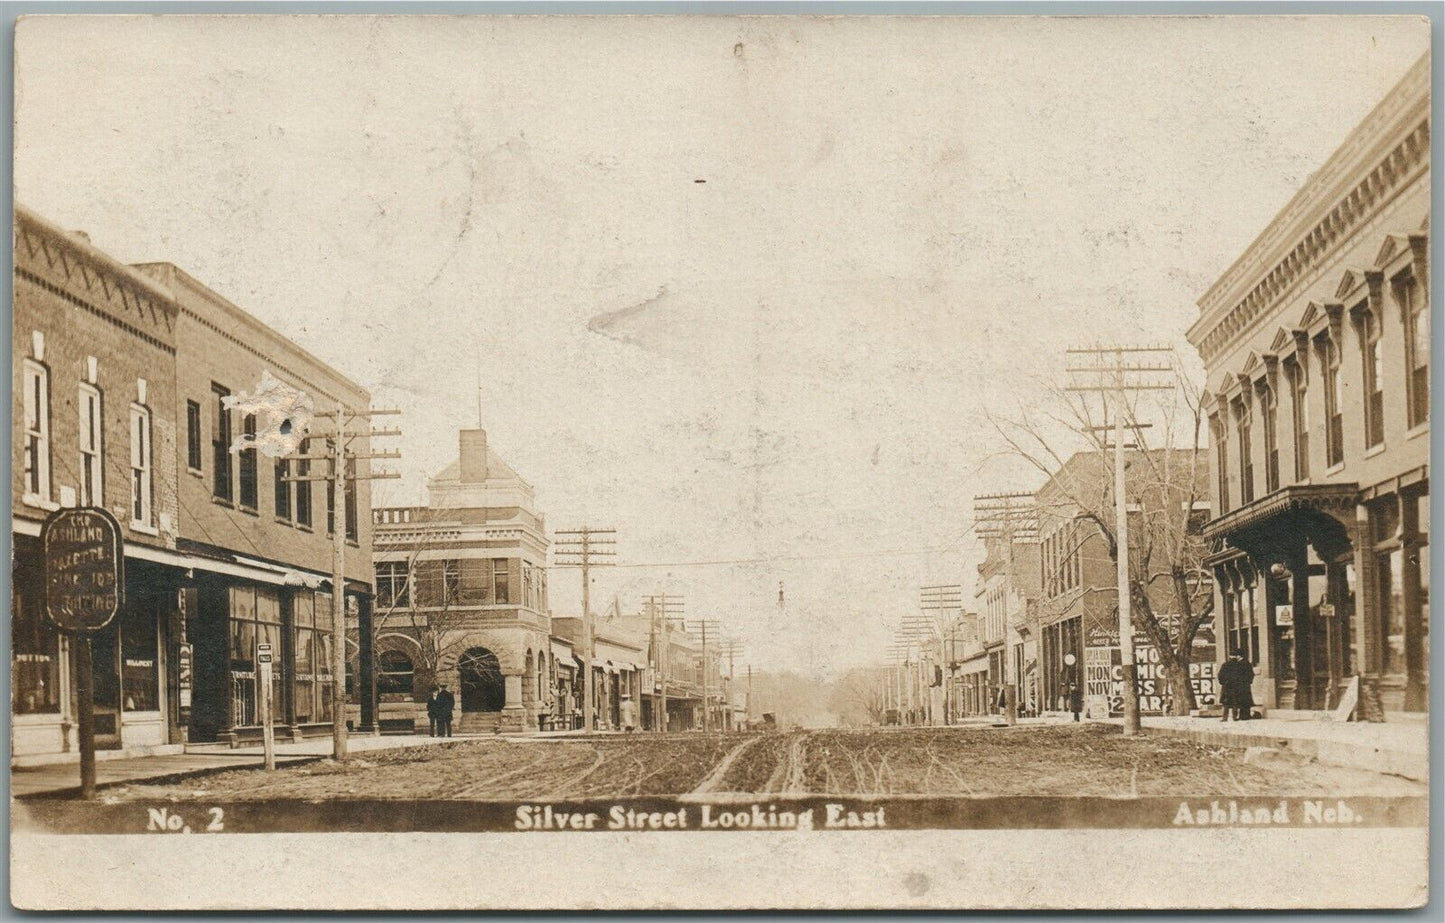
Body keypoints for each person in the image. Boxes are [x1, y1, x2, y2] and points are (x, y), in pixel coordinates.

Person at [1218, 650, 1255, 722]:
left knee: (1226, 703)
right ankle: (1235, 717)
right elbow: (1249, 675)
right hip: (1237, 686)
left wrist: (1223, 682)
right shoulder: (1239, 664)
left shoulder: (1226, 664)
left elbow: (1220, 675)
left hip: (1228, 686)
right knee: (1235, 702)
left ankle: (1225, 718)